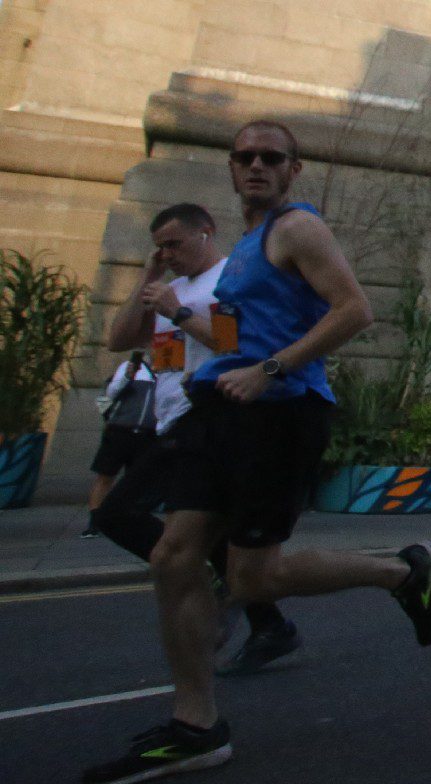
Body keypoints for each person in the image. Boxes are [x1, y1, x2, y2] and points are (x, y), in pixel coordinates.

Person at [83, 120, 431, 784]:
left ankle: (401, 573)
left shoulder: (296, 229)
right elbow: (224, 341)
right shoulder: (246, 252)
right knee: (172, 554)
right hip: (217, 410)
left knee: (255, 578)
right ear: (231, 168)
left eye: (269, 157)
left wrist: (270, 371)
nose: (255, 165)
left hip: (279, 413)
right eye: (244, 156)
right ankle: (197, 726)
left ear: (292, 169)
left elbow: (354, 310)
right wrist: (181, 324)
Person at [93, 202, 300, 676]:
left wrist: (179, 311)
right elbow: (119, 340)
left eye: (175, 244)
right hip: (168, 420)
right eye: (160, 247)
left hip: (206, 417)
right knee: (209, 533)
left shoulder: (227, 280)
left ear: (206, 232)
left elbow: (232, 344)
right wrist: (149, 280)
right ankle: (271, 626)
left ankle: (205, 583)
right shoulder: (170, 287)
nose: (169, 254)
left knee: (117, 514)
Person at [84, 353, 157, 536]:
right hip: (120, 431)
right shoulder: (131, 367)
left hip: (148, 434)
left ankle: (129, 519)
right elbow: (110, 393)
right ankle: (94, 521)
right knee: (106, 476)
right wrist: (127, 376)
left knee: (137, 480)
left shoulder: (168, 372)